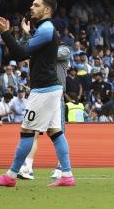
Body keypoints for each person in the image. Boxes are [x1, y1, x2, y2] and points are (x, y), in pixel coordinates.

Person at [0, 0, 75, 188]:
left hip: (43, 90)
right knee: (55, 132)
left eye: (36, 5)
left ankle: (11, 175)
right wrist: (17, 34)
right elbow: (27, 50)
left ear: (47, 10)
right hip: (52, 88)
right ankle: (67, 175)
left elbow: (20, 54)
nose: (31, 7)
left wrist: (5, 33)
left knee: (27, 131)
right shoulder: (44, 30)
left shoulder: (46, 29)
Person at [17, 38, 72, 181]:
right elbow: (24, 48)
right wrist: (26, 35)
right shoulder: (44, 52)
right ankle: (28, 167)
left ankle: (62, 167)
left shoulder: (65, 49)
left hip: (56, 95)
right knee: (33, 132)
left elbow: (52, 54)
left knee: (58, 132)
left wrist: (36, 46)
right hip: (41, 93)